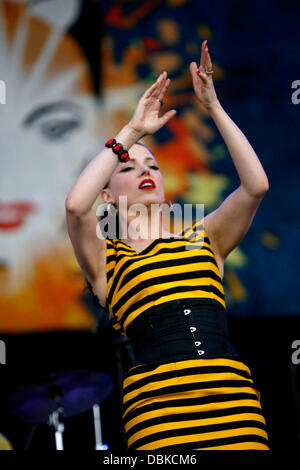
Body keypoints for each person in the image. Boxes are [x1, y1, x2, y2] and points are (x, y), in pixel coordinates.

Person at [65, 40, 270, 451]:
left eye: (152, 165)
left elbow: (256, 185)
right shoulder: (108, 260)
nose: (146, 171)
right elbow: (75, 206)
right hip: (160, 421)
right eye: (128, 165)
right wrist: (133, 131)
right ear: (108, 196)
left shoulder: (205, 236)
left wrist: (213, 107)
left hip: (234, 409)